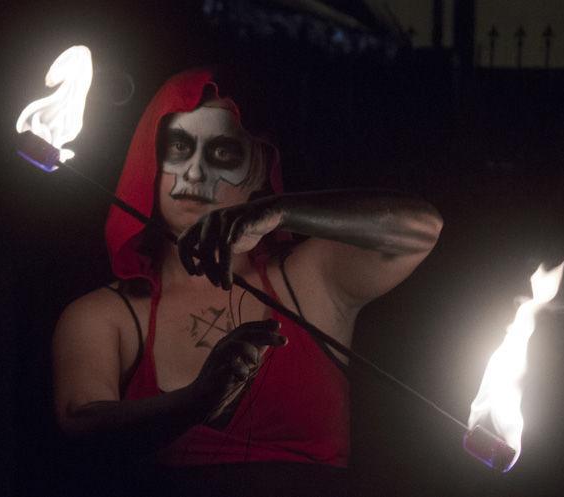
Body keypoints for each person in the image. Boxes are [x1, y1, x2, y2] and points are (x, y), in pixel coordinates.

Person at [52, 68, 443, 496]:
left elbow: (421, 230)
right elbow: (82, 425)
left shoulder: (309, 277)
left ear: (259, 170)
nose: (195, 175)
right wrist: (198, 399)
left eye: (222, 154)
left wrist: (283, 210)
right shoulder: (106, 314)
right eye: (178, 148)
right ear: (150, 162)